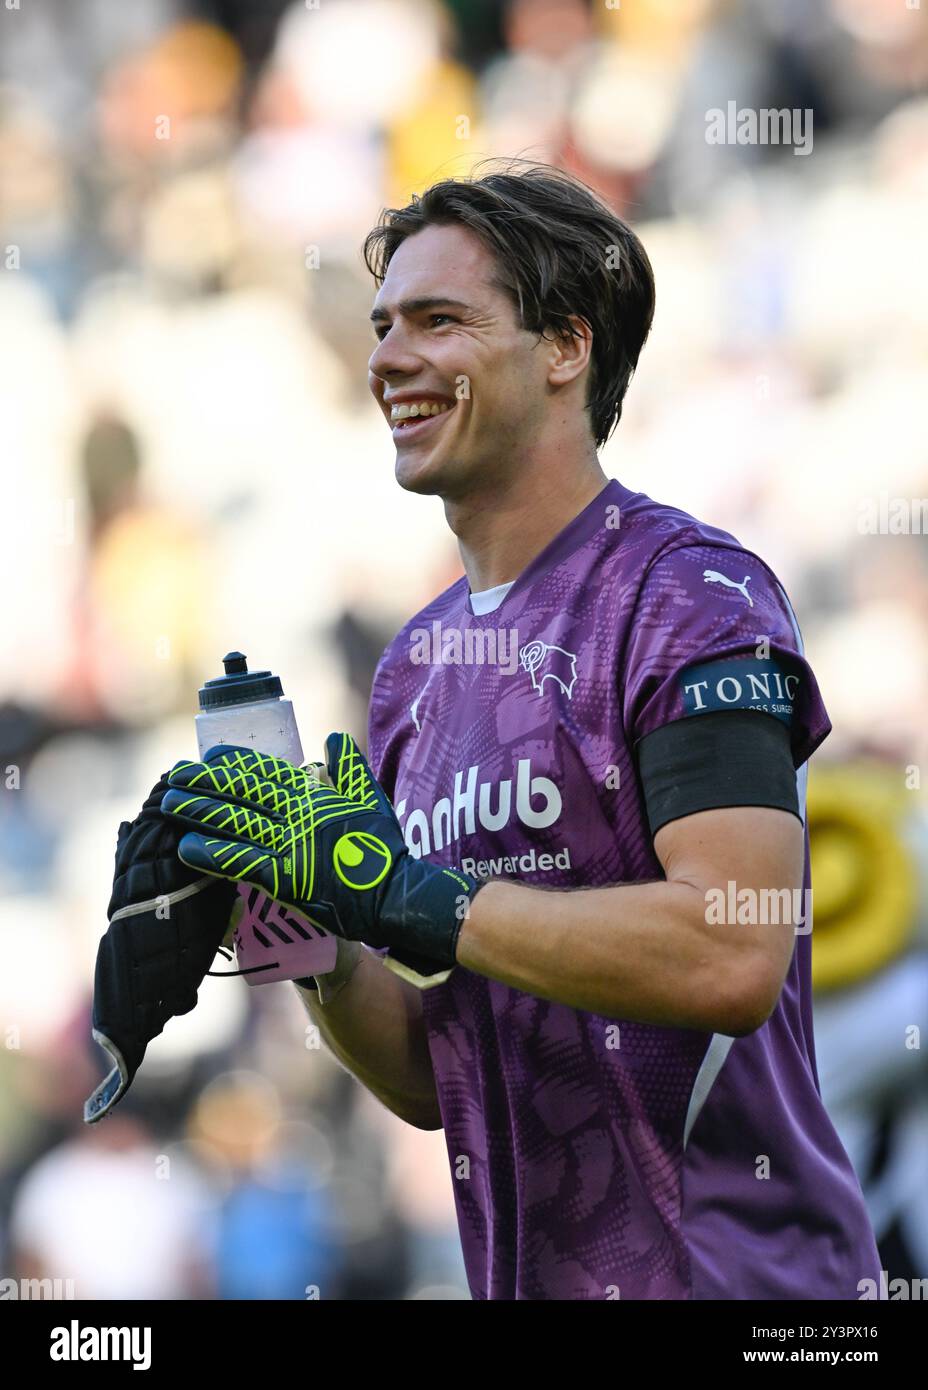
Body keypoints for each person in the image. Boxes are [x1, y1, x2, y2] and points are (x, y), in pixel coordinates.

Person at [101, 162, 882, 1300]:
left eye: (437, 320)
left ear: (565, 346)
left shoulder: (691, 595)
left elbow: (731, 949)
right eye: (380, 327)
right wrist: (314, 926)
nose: (386, 360)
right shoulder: (412, 672)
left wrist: (412, 896)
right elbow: (434, 1072)